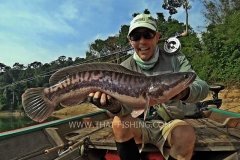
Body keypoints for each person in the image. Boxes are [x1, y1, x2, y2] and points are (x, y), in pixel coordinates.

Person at [87, 11, 209, 160]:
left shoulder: (176, 59)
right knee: (118, 123)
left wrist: (184, 92)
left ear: (157, 37)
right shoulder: (123, 68)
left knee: (185, 134)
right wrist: (113, 106)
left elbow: (201, 86)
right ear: (130, 41)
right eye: (136, 37)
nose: (142, 41)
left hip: (170, 124)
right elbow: (124, 109)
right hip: (139, 125)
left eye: (147, 34)